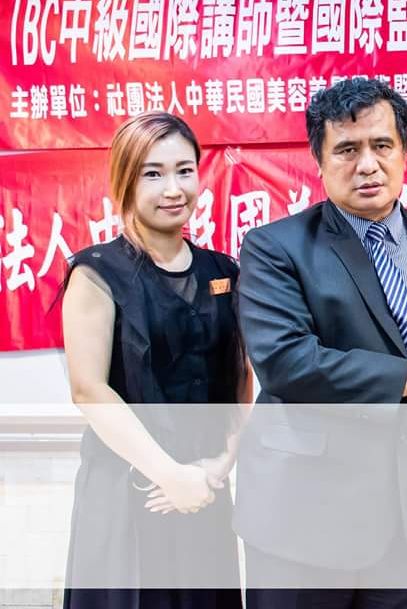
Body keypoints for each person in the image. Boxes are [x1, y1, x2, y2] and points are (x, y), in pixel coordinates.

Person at [234, 78, 407, 609]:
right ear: (319, 161)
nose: (367, 164)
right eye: (347, 149)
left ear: (404, 152)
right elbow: (285, 363)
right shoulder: (274, 248)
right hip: (304, 523)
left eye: (382, 145)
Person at [62, 112, 249, 609]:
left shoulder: (223, 271)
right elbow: (89, 390)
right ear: (125, 180)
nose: (173, 189)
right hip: (128, 490)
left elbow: (241, 381)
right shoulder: (96, 273)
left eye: (184, 171)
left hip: (203, 487)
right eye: (153, 173)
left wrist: (219, 466)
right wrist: (169, 474)